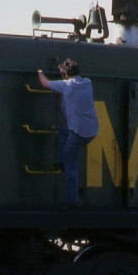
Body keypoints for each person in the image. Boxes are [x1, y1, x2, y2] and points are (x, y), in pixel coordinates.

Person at [37, 59, 99, 206]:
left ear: (65, 74)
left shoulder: (66, 86)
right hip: (92, 130)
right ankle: (62, 161)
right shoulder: (88, 83)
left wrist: (40, 71)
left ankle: (72, 201)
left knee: (71, 166)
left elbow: (45, 83)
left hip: (78, 134)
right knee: (63, 130)